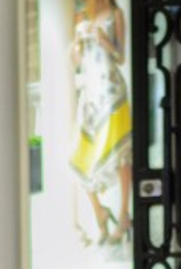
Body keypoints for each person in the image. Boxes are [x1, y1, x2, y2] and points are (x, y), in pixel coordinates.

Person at [70, 0, 132, 247]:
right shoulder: (82, 17)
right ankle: (100, 211)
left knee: (122, 156)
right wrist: (77, 44)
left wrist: (104, 40)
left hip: (113, 92)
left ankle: (124, 214)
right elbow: (77, 63)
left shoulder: (115, 14)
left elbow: (121, 56)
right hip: (91, 95)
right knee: (78, 158)